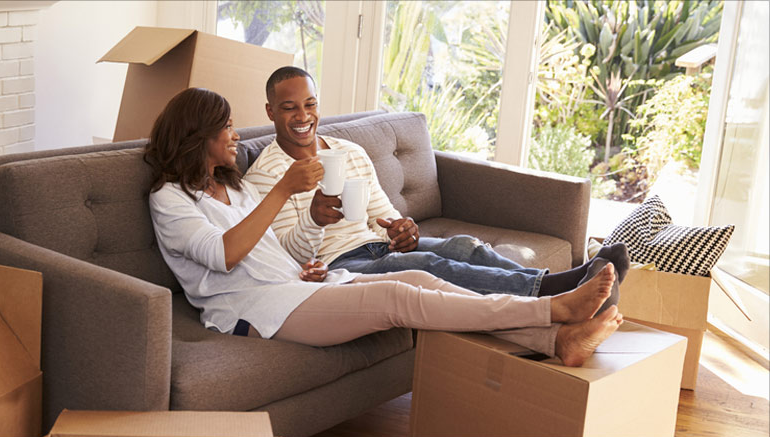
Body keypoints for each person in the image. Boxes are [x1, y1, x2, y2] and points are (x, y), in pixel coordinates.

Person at [144, 87, 623, 367]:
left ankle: (556, 340)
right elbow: (224, 254)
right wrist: (284, 191)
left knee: (419, 278)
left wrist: (309, 246)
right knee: (399, 297)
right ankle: (550, 310)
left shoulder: (233, 186)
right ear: (196, 136)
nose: (235, 134)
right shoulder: (169, 199)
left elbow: (272, 248)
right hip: (252, 309)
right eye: (225, 126)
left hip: (295, 285)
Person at [245, 66, 630, 306]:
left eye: (309, 105)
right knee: (426, 264)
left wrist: (402, 229)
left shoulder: (348, 151)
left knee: (462, 245)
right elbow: (286, 255)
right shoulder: (266, 174)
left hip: (374, 245)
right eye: (289, 107)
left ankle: (558, 285)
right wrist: (314, 219)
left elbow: (384, 214)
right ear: (270, 112)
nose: (302, 116)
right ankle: (555, 291)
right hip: (339, 267)